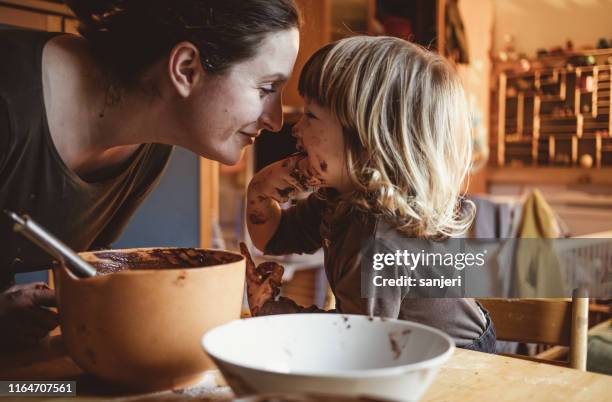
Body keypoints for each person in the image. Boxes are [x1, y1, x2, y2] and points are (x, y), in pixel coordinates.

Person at [0, 0, 301, 348]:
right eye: (266, 89)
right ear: (186, 69)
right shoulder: (9, 104)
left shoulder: (151, 142)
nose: (276, 120)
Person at [244, 36, 496, 352]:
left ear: (366, 138)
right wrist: (260, 191)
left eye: (310, 115)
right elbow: (273, 238)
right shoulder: (340, 197)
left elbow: (360, 345)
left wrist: (272, 310)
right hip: (399, 348)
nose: (295, 129)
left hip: (458, 360)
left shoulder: (378, 232)